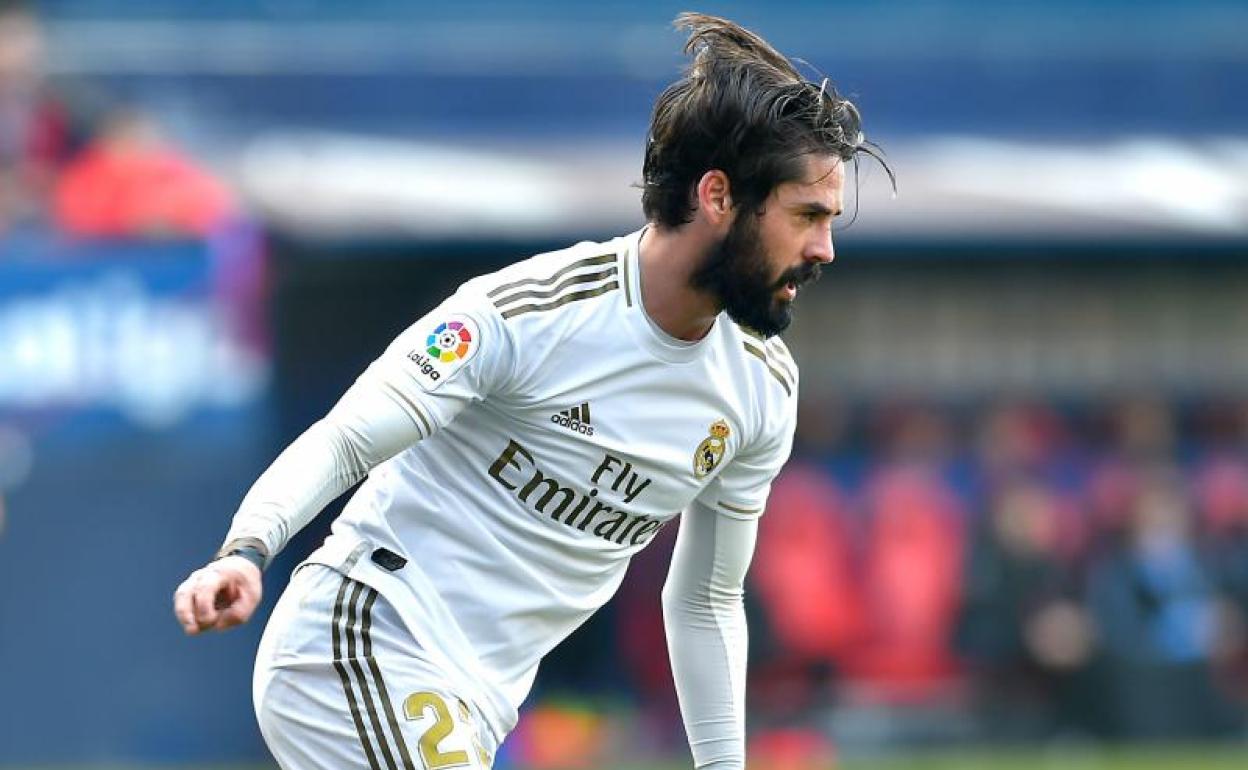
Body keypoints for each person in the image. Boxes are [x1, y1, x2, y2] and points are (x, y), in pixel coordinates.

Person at [173, 13, 884, 770]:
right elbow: (348, 437)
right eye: (807, 215)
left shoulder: (762, 389)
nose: (824, 248)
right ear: (718, 197)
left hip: (473, 704)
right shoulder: (529, 314)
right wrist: (247, 549)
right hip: (362, 638)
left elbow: (705, 601)